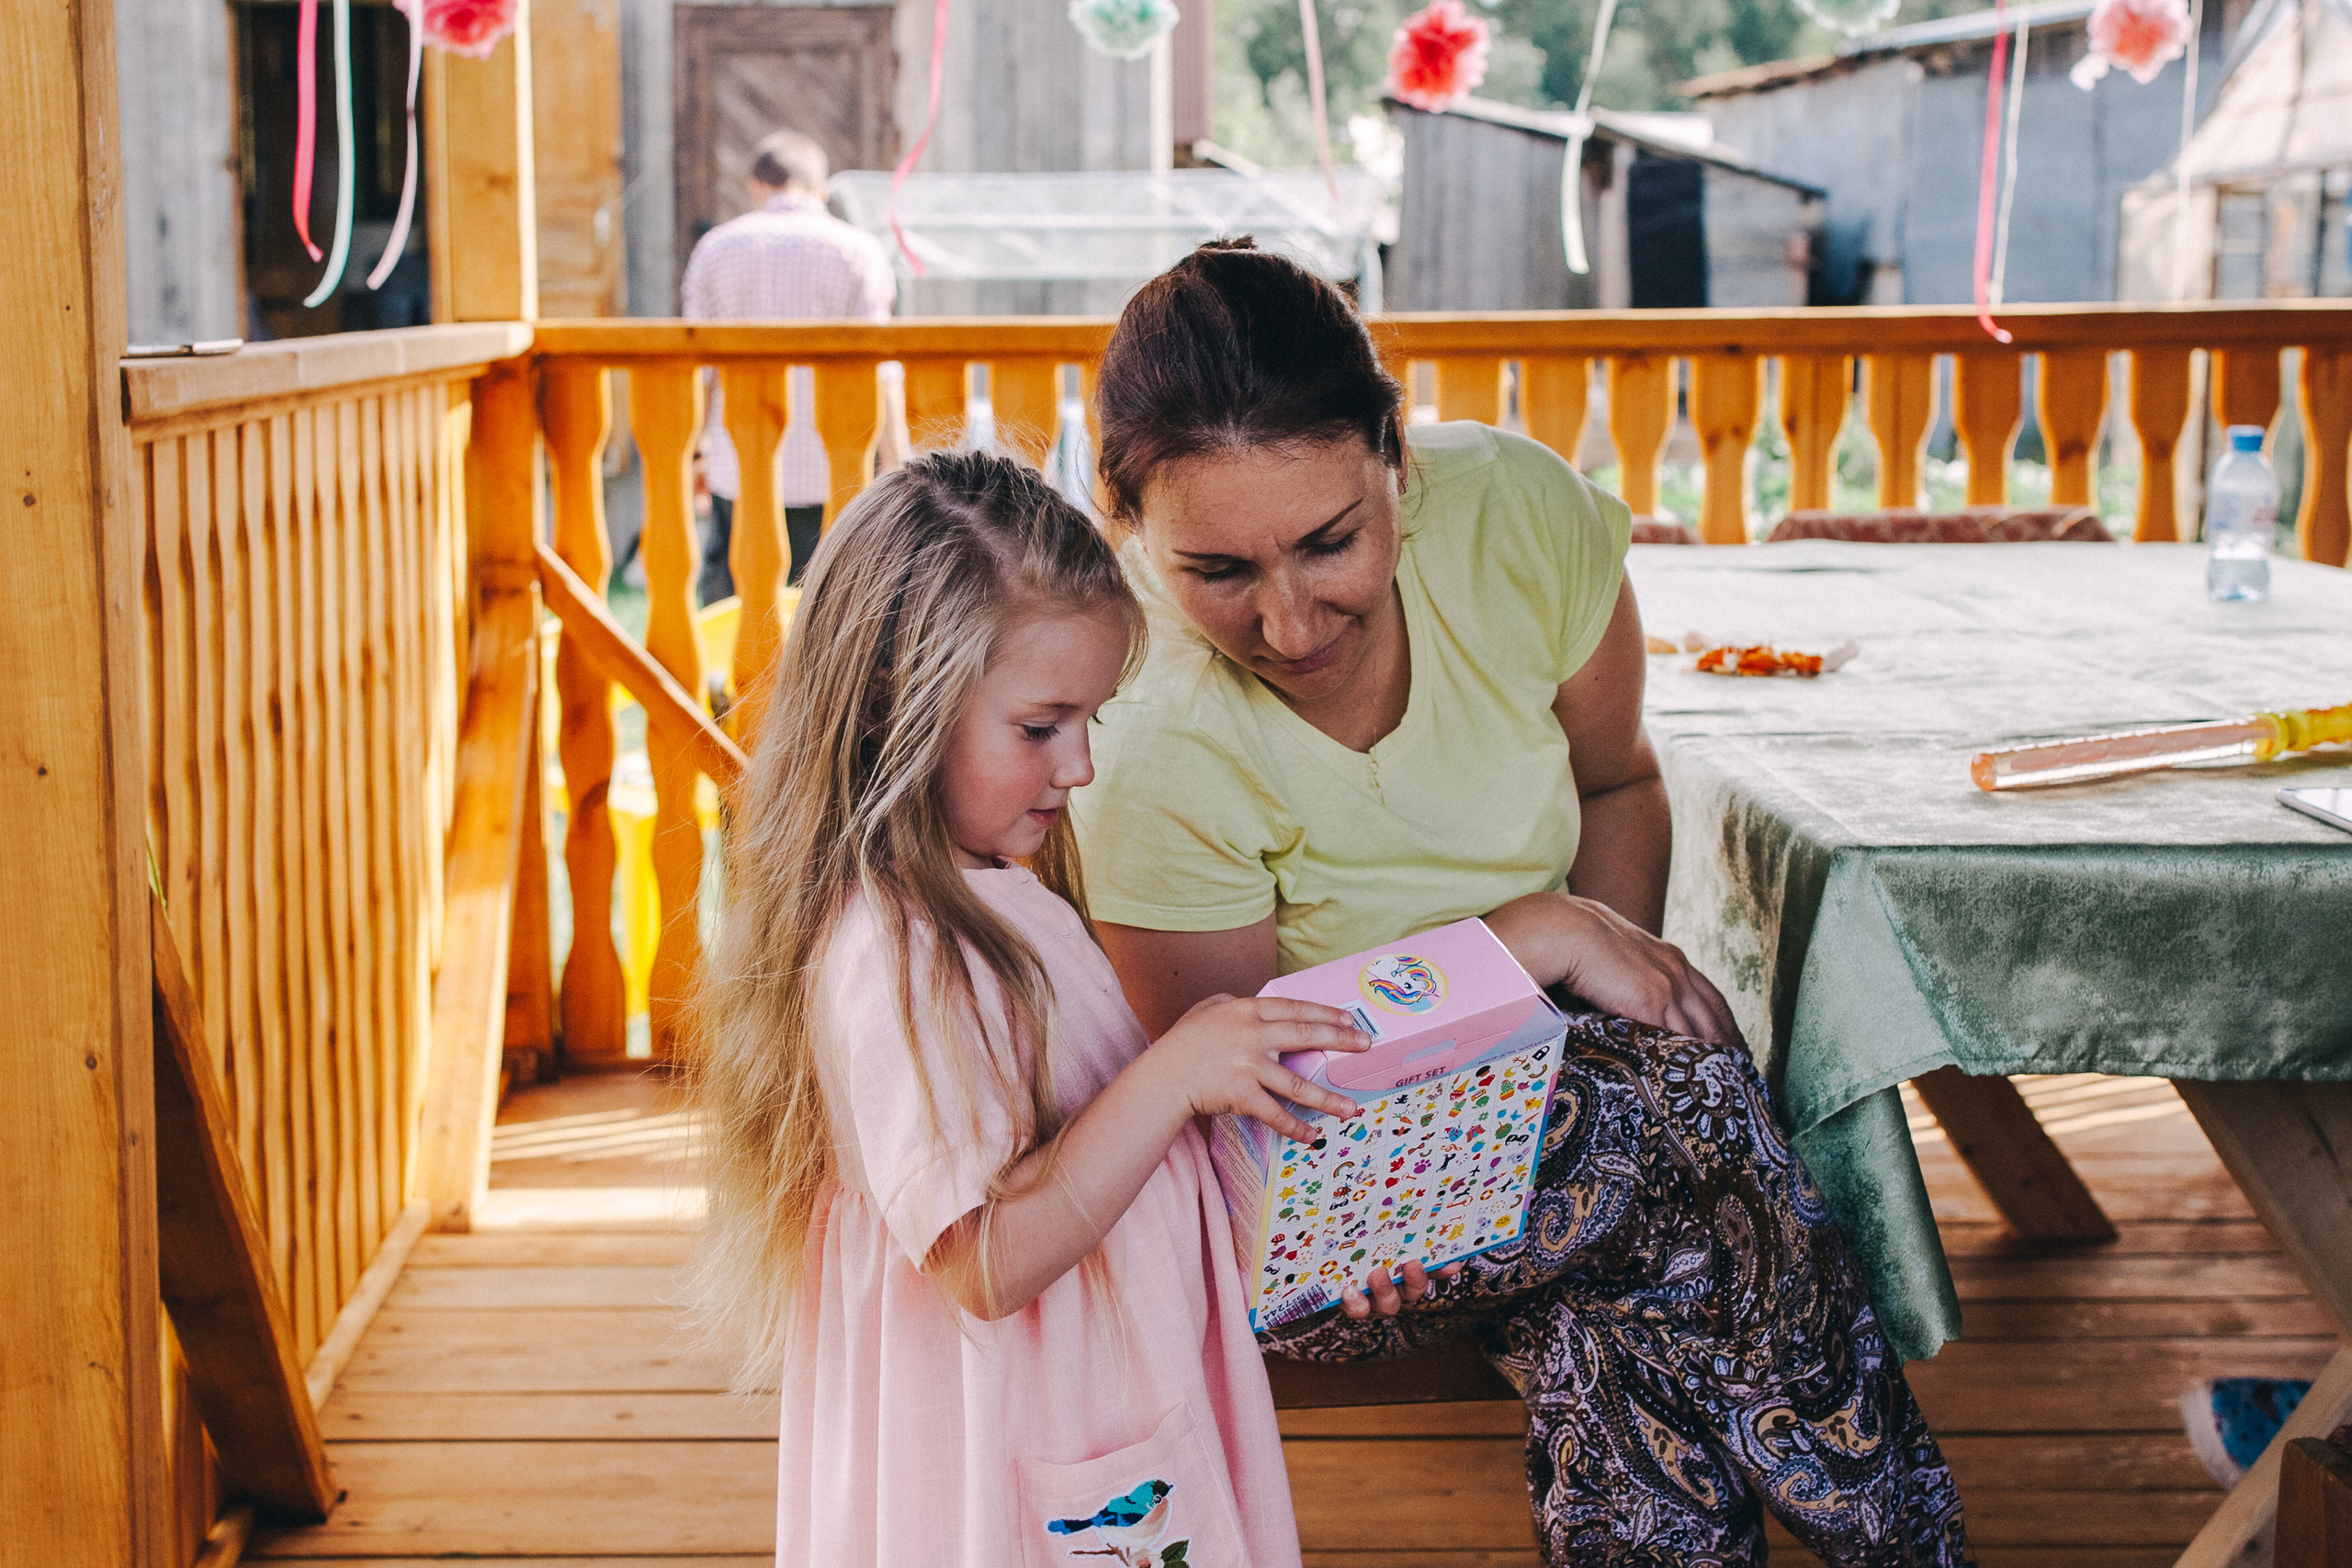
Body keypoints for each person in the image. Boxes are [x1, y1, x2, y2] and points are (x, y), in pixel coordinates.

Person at [1069, 240, 1974, 1565]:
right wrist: (1538, 938)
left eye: (1332, 541)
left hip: (1563, 1114)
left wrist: (1572, 1023)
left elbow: (1617, 783)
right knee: (1698, 1114)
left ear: (1399, 455)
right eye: (1218, 572)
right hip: (1326, 1194)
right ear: (1131, 522)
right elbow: (1243, 1081)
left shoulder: (1516, 512)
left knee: (1629, 1295)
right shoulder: (1144, 722)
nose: (1292, 619)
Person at [690, 450, 1441, 1567]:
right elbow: (985, 1264)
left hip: (1096, 1409)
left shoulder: (992, 898)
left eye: (1089, 720)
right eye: (1040, 727)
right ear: (901, 706)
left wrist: (1288, 1240)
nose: (1079, 767)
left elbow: (1104, 1152)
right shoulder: (895, 953)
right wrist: (1176, 1069)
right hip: (1017, 1444)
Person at [680, 128, 894, 604]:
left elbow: (701, 368)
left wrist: (693, 448)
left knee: (736, 602)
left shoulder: (715, 249)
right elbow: (879, 365)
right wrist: (894, 456)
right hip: (836, 466)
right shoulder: (859, 250)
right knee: (830, 605)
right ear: (820, 190)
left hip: (740, 460)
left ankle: (728, 681)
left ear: (757, 185)